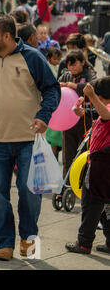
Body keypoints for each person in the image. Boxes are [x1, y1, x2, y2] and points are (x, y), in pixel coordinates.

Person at [0, 14, 61, 261]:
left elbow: (52, 89)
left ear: (8, 36)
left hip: (28, 139)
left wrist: (44, 116)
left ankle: (29, 238)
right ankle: (4, 243)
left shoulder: (32, 57)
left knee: (29, 191)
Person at [65, 77, 110, 254]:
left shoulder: (107, 108)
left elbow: (106, 114)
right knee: (106, 207)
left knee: (91, 203)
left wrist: (91, 96)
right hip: (102, 163)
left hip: (101, 164)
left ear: (100, 95)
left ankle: (83, 242)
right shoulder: (103, 108)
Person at [59, 50, 97, 188]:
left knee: (83, 154)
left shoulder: (89, 74)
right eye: (69, 65)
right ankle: (67, 184)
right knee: (68, 155)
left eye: (74, 64)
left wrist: (75, 86)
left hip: (84, 120)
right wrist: (60, 86)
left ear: (82, 62)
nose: (71, 68)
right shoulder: (65, 76)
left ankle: (82, 183)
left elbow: (94, 87)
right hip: (67, 121)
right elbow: (56, 88)